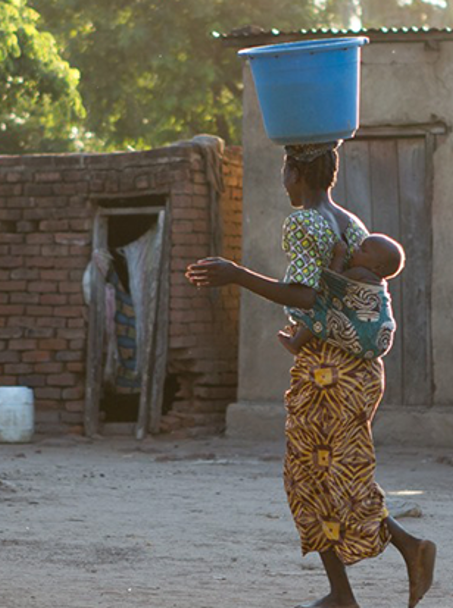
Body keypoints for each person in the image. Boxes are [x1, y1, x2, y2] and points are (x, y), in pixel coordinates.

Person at [186, 141, 435, 608]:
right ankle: (345, 592)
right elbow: (332, 295)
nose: (283, 179)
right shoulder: (349, 223)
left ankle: (403, 553)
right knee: (331, 477)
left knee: (314, 480)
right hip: (356, 373)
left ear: (296, 172)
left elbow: (303, 295)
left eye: (285, 169)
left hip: (330, 376)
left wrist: (235, 274)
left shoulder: (305, 222)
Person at [280, 233, 404, 355]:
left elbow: (334, 281)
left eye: (362, 250)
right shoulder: (378, 285)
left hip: (363, 336)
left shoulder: (360, 273)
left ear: (377, 267)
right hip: (381, 341)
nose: (355, 249)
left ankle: (295, 344)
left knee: (319, 309)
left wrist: (339, 255)